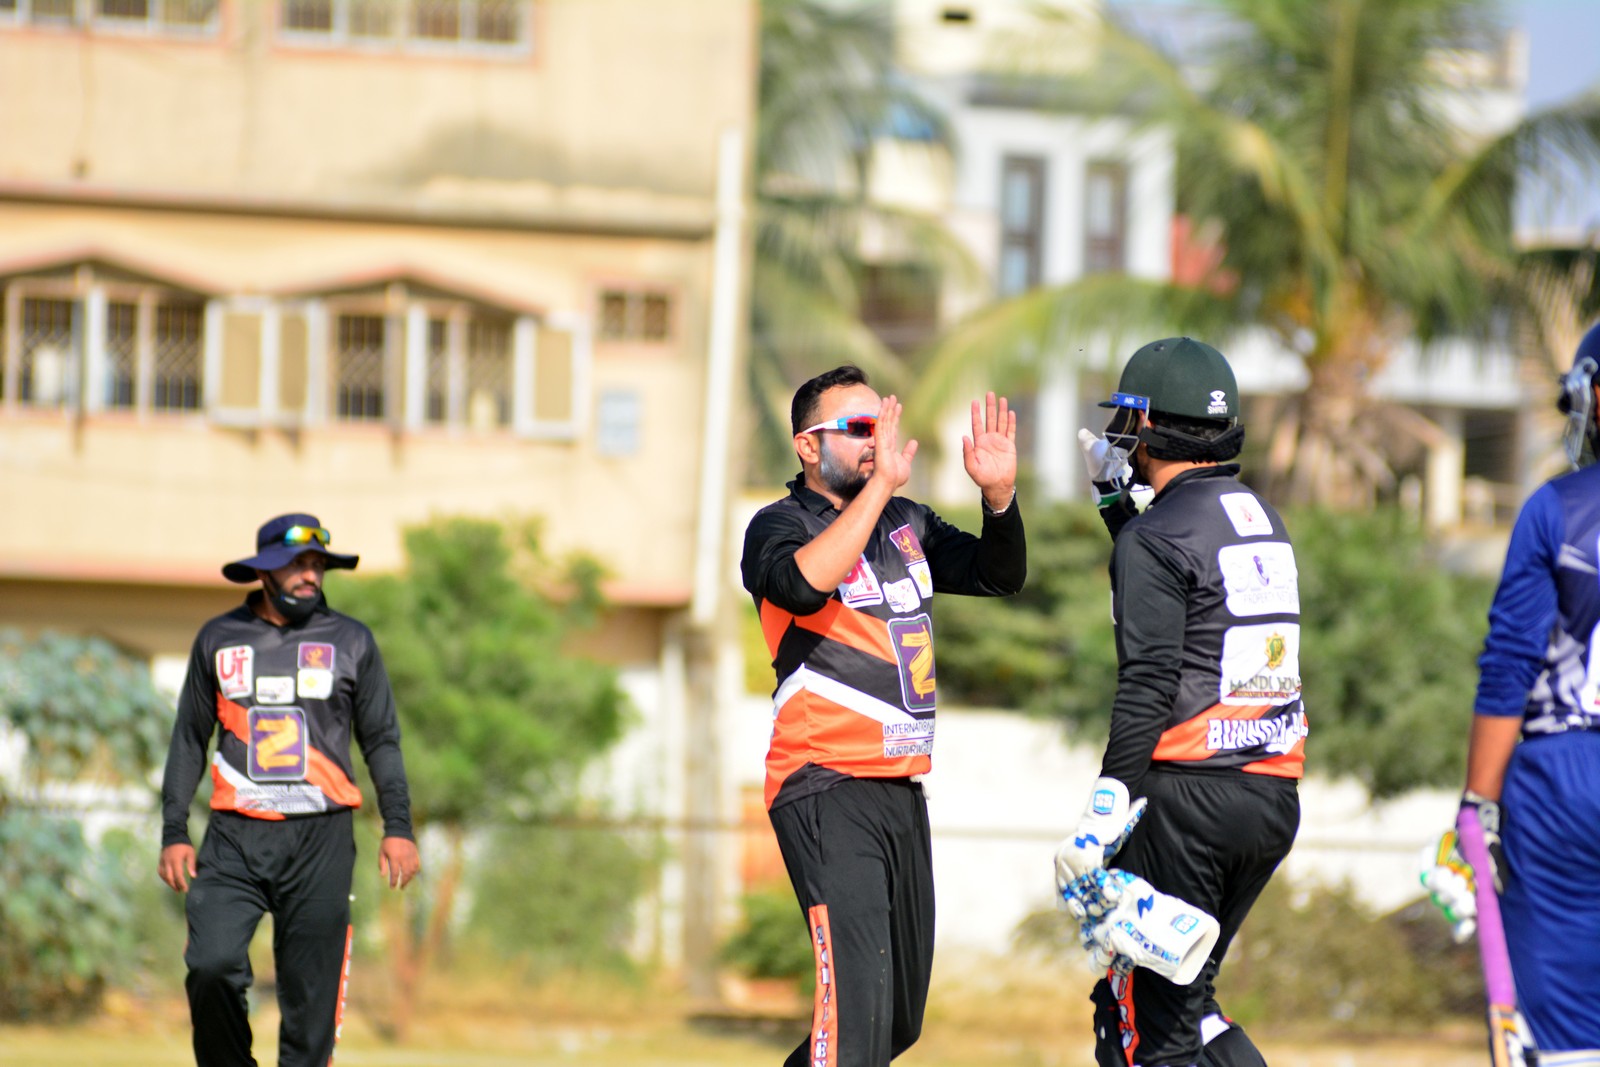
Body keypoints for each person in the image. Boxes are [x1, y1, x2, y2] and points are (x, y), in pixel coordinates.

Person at [741, 365, 1026, 1067]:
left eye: (884, 425)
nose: (879, 440)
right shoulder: (779, 525)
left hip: (899, 788)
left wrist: (998, 499)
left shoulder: (906, 521)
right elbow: (802, 586)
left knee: (895, 1022)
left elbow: (998, 573)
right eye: (860, 428)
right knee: (854, 1024)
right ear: (808, 446)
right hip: (825, 783)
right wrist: (878, 489)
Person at [1055, 338, 1305, 1067]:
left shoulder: (1154, 536)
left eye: (1128, 422)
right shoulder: (1260, 515)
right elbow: (1183, 586)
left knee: (1140, 1026)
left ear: (1148, 424)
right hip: (1269, 797)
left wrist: (1105, 806)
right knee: (1191, 1004)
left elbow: (1150, 677)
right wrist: (1118, 507)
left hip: (1187, 802)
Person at [158, 513, 421, 1067]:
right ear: (264, 572)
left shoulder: (352, 640)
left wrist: (398, 826)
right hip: (234, 839)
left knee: (309, 1005)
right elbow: (189, 738)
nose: (310, 575)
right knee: (210, 966)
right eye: (296, 564)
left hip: (321, 840)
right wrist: (174, 830)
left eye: (317, 564)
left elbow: (382, 740)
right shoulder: (218, 638)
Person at [1426, 321, 1600, 1064]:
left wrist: (1477, 805)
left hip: (1565, 778)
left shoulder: (1559, 509)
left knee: (1563, 1038)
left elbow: (1510, 665)